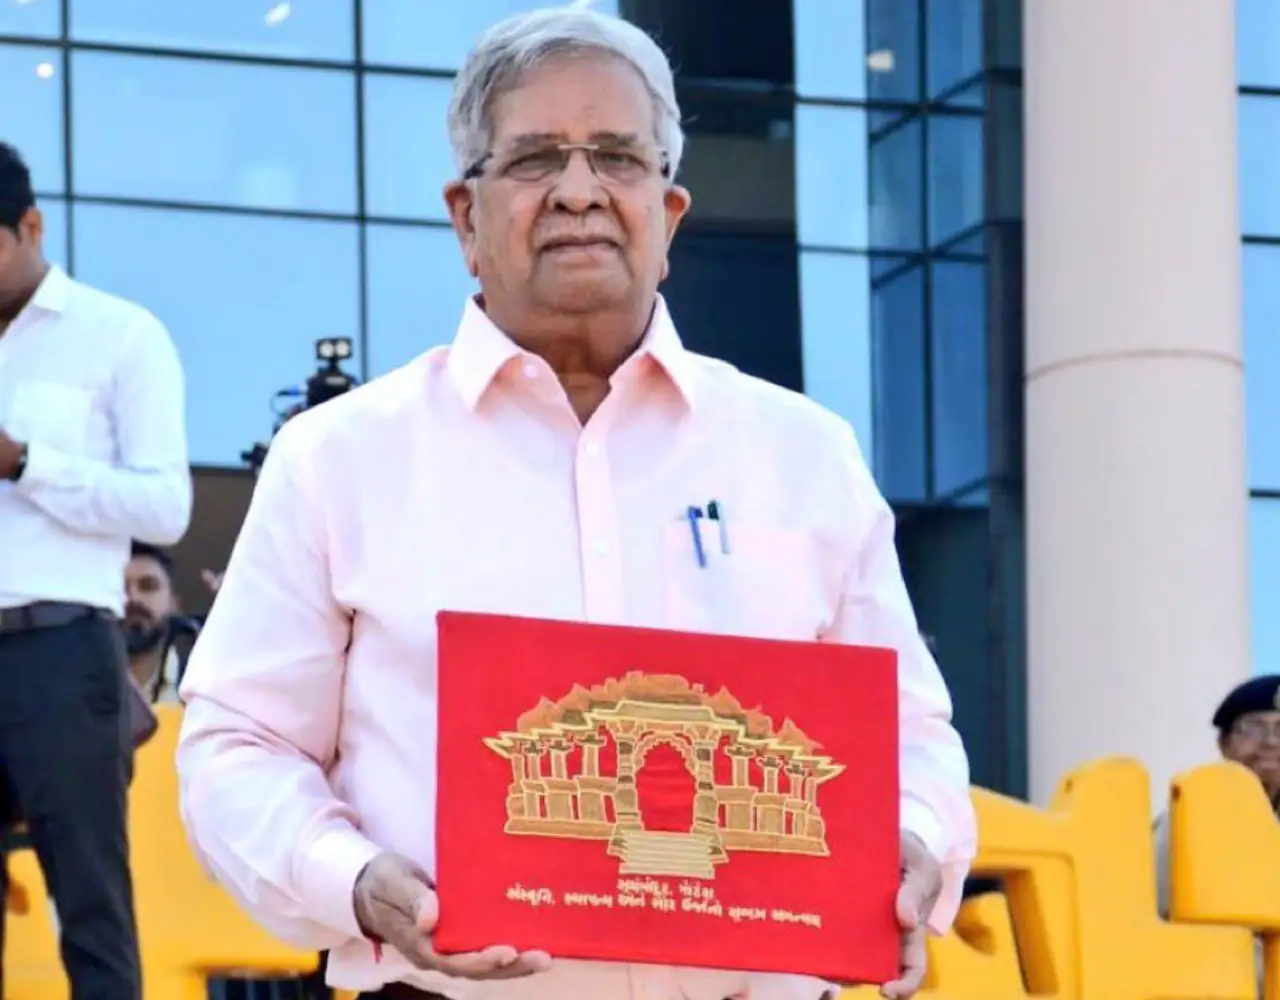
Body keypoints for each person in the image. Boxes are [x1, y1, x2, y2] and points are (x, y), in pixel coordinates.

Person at [176, 8, 976, 1000]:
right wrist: (354, 880)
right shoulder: (339, 458)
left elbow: (912, 738)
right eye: (533, 158)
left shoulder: (802, 455)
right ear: (465, 217)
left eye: (615, 156)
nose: (577, 190)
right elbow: (236, 746)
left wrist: (910, 843)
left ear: (668, 213)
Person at [0, 141, 191, 999]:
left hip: (60, 652)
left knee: (92, 910)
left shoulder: (120, 335)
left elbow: (165, 510)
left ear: (30, 227)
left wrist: (23, 462)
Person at [1153, 674, 1279, 987]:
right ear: (1224, 744)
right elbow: (1154, 910)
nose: (1271, 741)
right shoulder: (1191, 818)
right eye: (1254, 728)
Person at [123, 541, 186, 703]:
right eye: (120, 588)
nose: (133, 598)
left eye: (148, 586)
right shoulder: (70, 685)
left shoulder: (199, 686)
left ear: (174, 604)